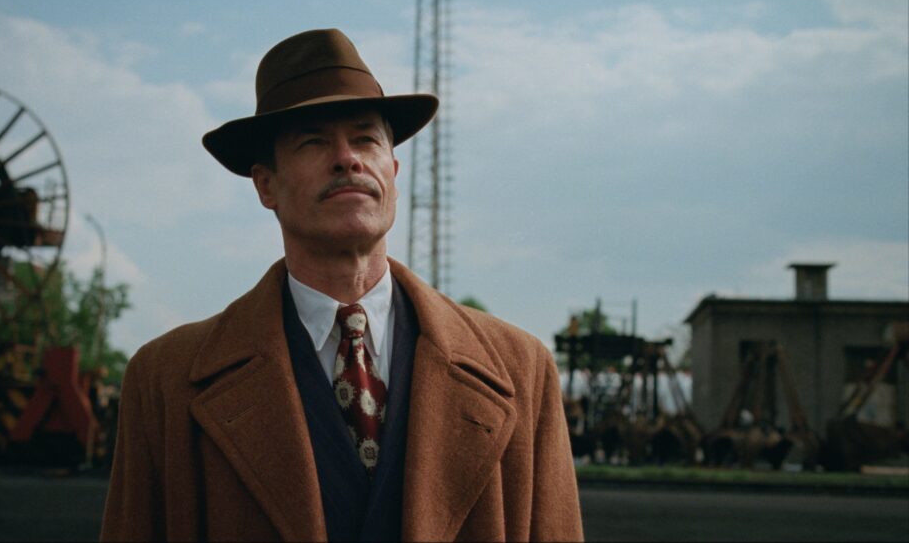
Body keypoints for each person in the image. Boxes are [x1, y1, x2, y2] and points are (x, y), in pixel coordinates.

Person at [100, 28, 584, 542]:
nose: (347, 157)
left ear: (392, 170)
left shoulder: (521, 372)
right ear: (266, 184)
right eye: (313, 141)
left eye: (366, 138)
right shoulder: (165, 381)